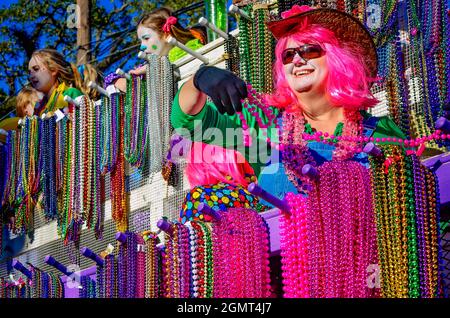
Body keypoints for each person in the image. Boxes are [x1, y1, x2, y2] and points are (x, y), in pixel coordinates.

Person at [171, 5, 406, 199]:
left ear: (338, 59)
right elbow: (187, 122)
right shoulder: (266, 125)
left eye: (310, 50)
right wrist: (199, 79)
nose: (297, 60)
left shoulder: (379, 131)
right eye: (288, 55)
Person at [111, 7, 207, 91]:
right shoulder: (150, 64)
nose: (142, 46)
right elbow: (108, 79)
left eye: (146, 38)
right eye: (141, 41)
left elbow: (181, 59)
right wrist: (116, 80)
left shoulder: (191, 46)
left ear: (166, 35)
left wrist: (150, 68)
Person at [28, 48, 92, 115]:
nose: (30, 76)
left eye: (36, 69)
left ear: (53, 70)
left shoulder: (71, 94)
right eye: (29, 72)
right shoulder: (38, 109)